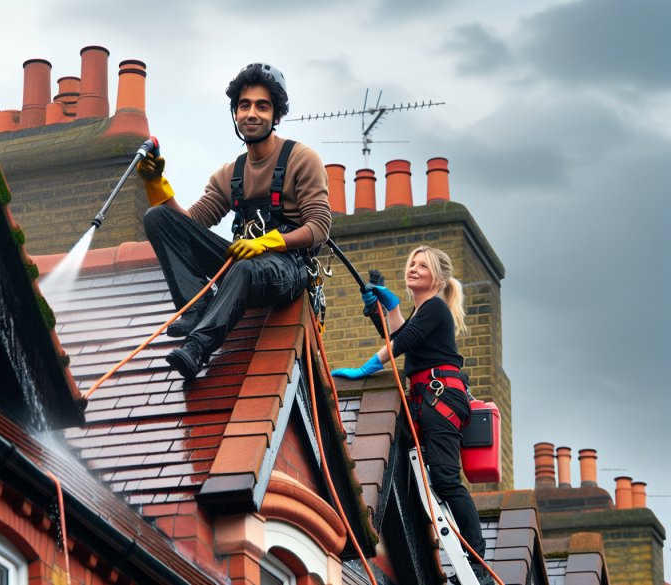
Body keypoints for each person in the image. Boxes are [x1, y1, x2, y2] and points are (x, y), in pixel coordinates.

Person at [137, 63, 331, 379]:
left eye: (262, 106)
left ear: (276, 116)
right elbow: (189, 224)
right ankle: (196, 307)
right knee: (159, 218)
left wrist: (267, 242)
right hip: (244, 261)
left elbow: (319, 227)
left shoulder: (301, 159)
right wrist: (156, 183)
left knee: (244, 266)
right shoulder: (231, 174)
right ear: (235, 113)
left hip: (287, 269)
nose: (251, 113)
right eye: (244, 105)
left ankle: (197, 348)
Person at [331, 246, 494, 585]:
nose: (414, 269)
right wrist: (386, 309)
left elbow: (404, 340)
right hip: (427, 401)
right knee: (430, 479)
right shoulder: (425, 311)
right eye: (412, 264)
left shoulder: (435, 307)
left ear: (438, 277)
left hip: (441, 399)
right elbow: (401, 334)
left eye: (423, 265)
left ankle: (477, 564)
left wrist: (368, 366)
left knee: (447, 480)